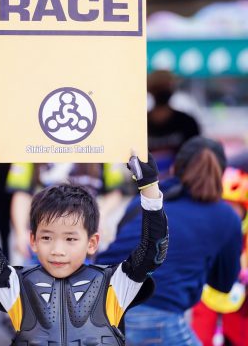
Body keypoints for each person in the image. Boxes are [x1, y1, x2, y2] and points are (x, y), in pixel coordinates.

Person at [0, 137, 168, 345]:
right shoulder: (16, 285)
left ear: (92, 242)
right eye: (46, 238)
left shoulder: (115, 284)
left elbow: (153, 250)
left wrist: (150, 188)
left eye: (70, 238)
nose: (57, 250)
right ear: (33, 240)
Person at [97, 136, 243, 345]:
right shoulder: (226, 217)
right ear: (221, 175)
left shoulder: (146, 200)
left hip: (99, 304)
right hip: (155, 316)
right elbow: (223, 284)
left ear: (175, 167)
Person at [7, 162, 124, 262]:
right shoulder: (29, 145)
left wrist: (99, 216)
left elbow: (115, 192)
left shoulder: (104, 145)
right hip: (42, 235)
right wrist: (20, 232)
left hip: (81, 234)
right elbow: (21, 193)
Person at [191, 164, 248, 346]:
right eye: (224, 207)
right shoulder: (205, 229)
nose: (229, 214)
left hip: (240, 299)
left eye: (234, 208)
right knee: (201, 336)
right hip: (206, 294)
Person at [147, 70, 200, 179]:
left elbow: (197, 155)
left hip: (180, 182)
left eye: (166, 86)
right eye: (159, 87)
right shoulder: (142, 124)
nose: (163, 91)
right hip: (147, 184)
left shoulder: (187, 122)